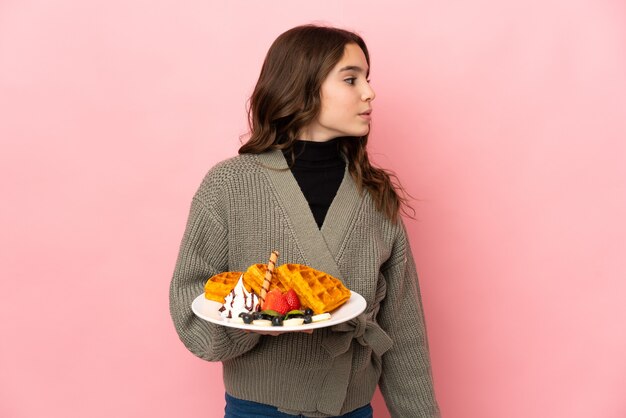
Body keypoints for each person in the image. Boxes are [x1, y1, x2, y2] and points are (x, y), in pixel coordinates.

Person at [170, 24, 441, 418]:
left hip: (352, 409)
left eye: (367, 78)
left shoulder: (373, 193)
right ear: (303, 87)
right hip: (259, 410)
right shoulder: (229, 185)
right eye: (351, 79)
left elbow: (403, 329)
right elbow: (190, 300)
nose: (369, 92)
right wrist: (251, 320)